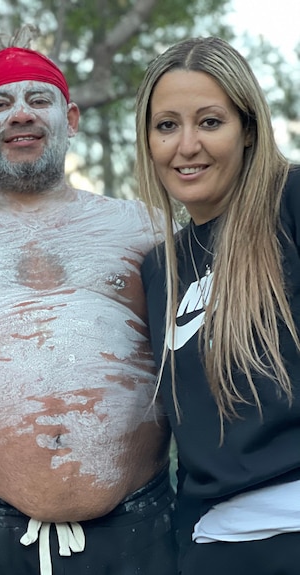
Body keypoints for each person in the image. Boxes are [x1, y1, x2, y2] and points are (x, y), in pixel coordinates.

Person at [0, 29, 176, 575]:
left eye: (39, 100)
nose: (20, 115)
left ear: (69, 119)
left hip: (139, 525)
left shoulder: (142, 228)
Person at [135, 36, 300, 575]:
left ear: (248, 129)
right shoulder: (161, 268)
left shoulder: (291, 203)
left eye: (210, 122)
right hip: (213, 545)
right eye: (167, 126)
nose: (186, 146)